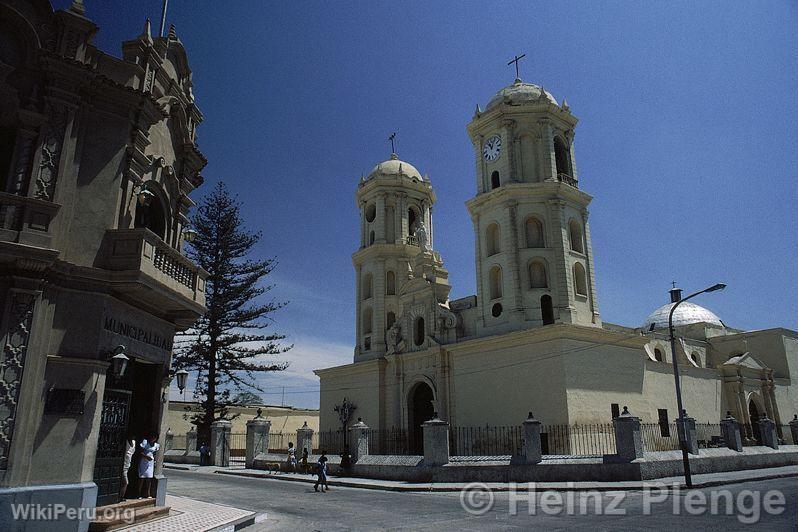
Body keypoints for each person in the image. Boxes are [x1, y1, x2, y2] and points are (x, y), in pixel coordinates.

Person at [137, 433, 160, 498]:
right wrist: (146, 457)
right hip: (144, 462)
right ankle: (139, 493)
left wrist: (154, 461)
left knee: (149, 478)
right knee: (142, 478)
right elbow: (140, 452)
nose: (153, 439)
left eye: (155, 437)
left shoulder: (156, 445)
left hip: (150, 463)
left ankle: (148, 493)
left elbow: (154, 454)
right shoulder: (145, 443)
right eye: (152, 437)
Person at [119, 434, 136, 499]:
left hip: (128, 465)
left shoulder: (134, 442)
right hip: (123, 466)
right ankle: (121, 496)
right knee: (125, 482)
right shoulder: (125, 443)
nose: (133, 437)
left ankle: (122, 495)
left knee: (124, 482)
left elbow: (132, 452)